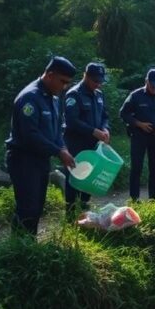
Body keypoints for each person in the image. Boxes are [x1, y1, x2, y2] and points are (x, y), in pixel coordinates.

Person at [5, 56, 77, 235]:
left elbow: (56, 130)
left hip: (41, 160)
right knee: (27, 208)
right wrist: (58, 151)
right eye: (63, 81)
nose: (65, 87)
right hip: (24, 159)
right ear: (50, 75)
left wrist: (63, 148)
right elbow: (30, 135)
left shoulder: (52, 97)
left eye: (68, 83)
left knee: (36, 207)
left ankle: (29, 246)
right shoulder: (30, 97)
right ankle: (18, 250)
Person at [62, 62, 111, 214]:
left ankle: (85, 214)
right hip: (76, 145)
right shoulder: (74, 94)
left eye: (100, 81)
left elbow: (105, 116)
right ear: (86, 76)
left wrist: (105, 129)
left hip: (93, 146)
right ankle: (70, 217)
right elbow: (72, 121)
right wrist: (92, 131)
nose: (98, 84)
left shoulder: (99, 94)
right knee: (75, 179)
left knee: (89, 178)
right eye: (95, 81)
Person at [119, 68, 155, 201]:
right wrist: (139, 124)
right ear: (146, 81)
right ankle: (134, 197)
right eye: (152, 86)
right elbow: (123, 113)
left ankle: (153, 196)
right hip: (139, 136)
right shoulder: (135, 95)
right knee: (137, 166)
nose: (154, 89)